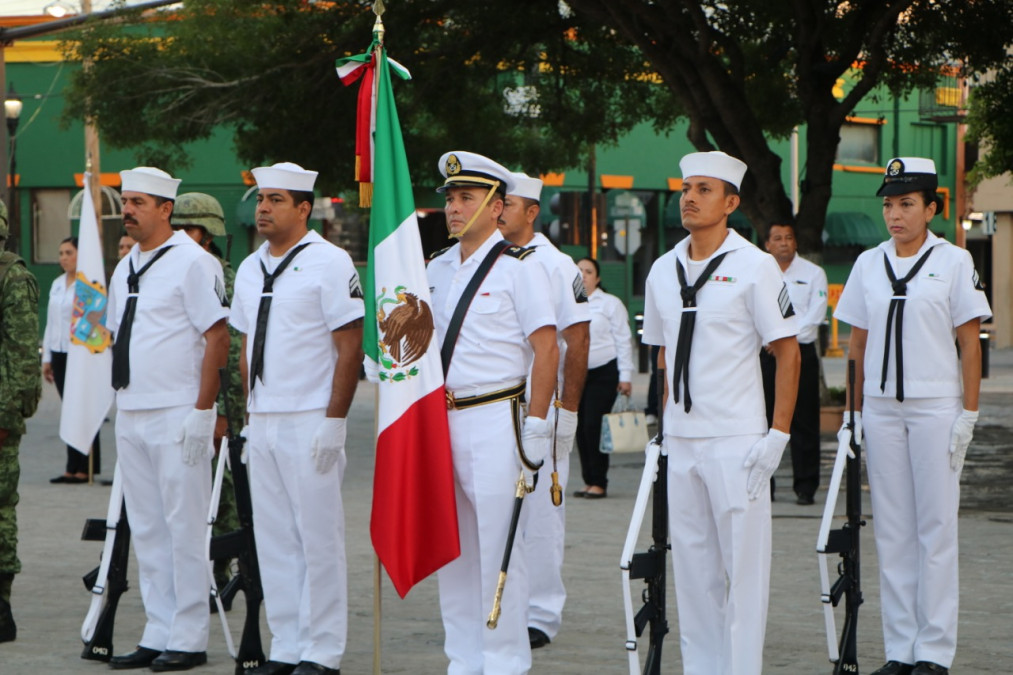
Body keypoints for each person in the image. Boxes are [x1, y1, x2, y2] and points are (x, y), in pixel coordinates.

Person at [641, 151, 800, 674]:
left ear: (731, 202)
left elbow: (787, 350)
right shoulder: (663, 269)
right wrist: (664, 428)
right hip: (683, 440)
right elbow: (664, 353)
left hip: (737, 441)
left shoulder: (755, 265)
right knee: (692, 572)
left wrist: (777, 434)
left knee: (745, 572)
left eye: (704, 189)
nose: (689, 197)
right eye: (686, 187)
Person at [834, 157, 991, 675]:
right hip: (880, 410)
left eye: (906, 204)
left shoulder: (952, 262)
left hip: (934, 408)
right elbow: (855, 342)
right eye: (888, 205)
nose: (895, 215)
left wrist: (969, 413)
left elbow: (970, 343)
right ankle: (901, 649)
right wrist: (852, 414)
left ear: (931, 209)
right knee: (893, 532)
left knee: (936, 530)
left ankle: (934, 651)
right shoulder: (867, 264)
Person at [230, 162, 364, 675]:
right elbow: (246, 346)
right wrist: (248, 415)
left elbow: (349, 347)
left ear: (304, 208)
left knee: (318, 538)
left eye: (277, 199)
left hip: (311, 416)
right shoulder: (249, 267)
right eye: (261, 198)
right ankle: (286, 644)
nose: (263, 208)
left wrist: (335, 420)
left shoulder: (330, 262)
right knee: (275, 538)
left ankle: (322, 650)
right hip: (264, 420)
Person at [428, 151, 558, 674]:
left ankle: (505, 661)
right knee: (454, 550)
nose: (454, 209)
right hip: (443, 419)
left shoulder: (519, 270)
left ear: (497, 206)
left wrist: (538, 425)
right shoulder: (435, 267)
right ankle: (464, 658)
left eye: (466, 198)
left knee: (501, 549)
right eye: (450, 199)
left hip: (496, 419)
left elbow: (547, 350)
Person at [106, 167, 230, 672]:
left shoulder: (194, 263)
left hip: (178, 411)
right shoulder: (125, 267)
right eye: (125, 201)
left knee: (183, 528)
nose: (128, 210)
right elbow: (121, 336)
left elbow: (217, 337)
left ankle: (189, 636)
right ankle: (157, 630)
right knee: (149, 528)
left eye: (138, 202)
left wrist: (204, 412)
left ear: (165, 210)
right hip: (132, 410)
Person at [498, 171, 590, 650]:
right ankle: (502, 602)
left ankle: (541, 612)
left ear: (531, 212)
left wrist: (567, 411)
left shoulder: (557, 265)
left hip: (541, 406)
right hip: (492, 405)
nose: (498, 210)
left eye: (507, 203)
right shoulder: (485, 259)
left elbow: (577, 341)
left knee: (541, 514)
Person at [170, 192, 243, 600]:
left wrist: (221, 412)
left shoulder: (222, 276)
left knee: (225, 492)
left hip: (218, 405)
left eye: (188, 229)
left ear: (208, 235)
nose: (179, 235)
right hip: (183, 402)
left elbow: (228, 349)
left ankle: (222, 572)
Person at [760, 220, 828, 505]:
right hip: (766, 355)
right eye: (777, 238)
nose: (784, 242)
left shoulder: (814, 274)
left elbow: (815, 315)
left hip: (800, 353)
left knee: (804, 420)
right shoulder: (759, 273)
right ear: (767, 244)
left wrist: (783, 340)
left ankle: (805, 486)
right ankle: (765, 486)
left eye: (789, 237)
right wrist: (771, 340)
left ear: (796, 242)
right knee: (761, 419)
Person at [0, 197, 42, 643]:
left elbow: (21, 354)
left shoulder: (13, 277)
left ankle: (1, 604)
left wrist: (8, 413)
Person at [572, 257, 633, 500]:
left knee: (593, 426)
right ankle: (588, 480)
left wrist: (626, 376)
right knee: (579, 429)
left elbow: (623, 340)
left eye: (588, 272)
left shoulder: (610, 304)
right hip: (575, 374)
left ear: (597, 278)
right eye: (579, 271)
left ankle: (599, 482)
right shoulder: (566, 302)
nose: (583, 275)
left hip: (604, 372)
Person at [43, 236, 102, 483]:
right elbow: (51, 323)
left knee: (83, 407)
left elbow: (94, 322)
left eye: (69, 252)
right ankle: (71, 466)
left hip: (78, 353)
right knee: (69, 409)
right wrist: (46, 357)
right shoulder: (57, 284)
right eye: (61, 253)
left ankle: (85, 466)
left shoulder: (86, 285)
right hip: (58, 353)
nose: (64, 258)